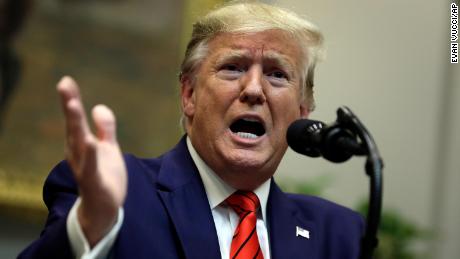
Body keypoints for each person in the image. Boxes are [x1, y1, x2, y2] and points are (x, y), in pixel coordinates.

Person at [19, 1, 364, 258]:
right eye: (232, 67)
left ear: (303, 110)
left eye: (277, 74)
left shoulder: (339, 236)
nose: (254, 89)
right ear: (189, 95)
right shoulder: (120, 194)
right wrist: (91, 228)